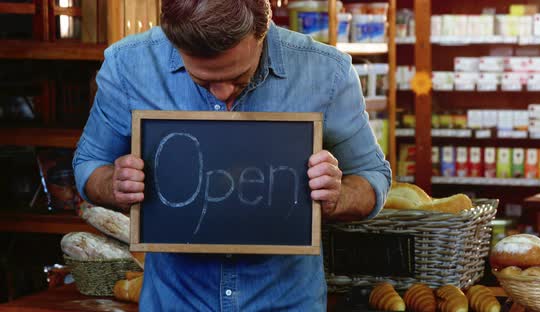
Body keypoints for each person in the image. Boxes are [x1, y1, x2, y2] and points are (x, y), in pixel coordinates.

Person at [73, 0, 391, 310]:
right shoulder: (128, 66)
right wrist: (114, 184)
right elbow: (88, 165)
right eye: (202, 81)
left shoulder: (326, 72)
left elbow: (373, 177)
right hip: (174, 301)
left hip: (288, 302)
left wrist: (339, 197)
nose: (223, 95)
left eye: (239, 78)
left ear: (262, 32)